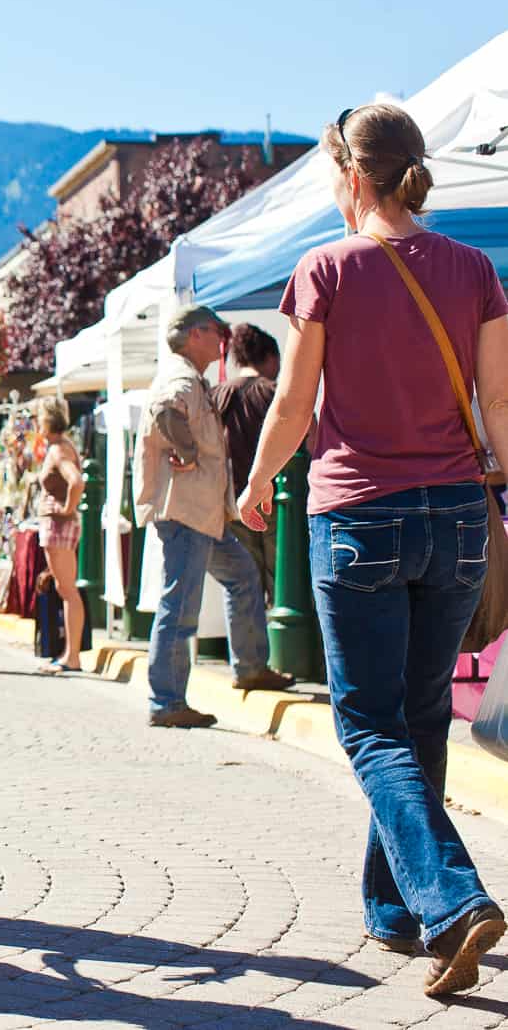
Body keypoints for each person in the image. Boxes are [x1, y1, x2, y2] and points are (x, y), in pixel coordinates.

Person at [238, 102, 504, 996]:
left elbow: (291, 406)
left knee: (368, 724)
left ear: (353, 176)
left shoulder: (326, 268)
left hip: (359, 518)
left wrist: (252, 485)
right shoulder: (475, 269)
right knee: (420, 717)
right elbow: (500, 410)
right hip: (460, 517)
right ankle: (393, 908)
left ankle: (454, 898)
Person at [136, 305, 294, 730]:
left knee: (242, 576)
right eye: (215, 332)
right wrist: (186, 451)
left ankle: (249, 667)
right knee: (181, 605)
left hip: (200, 513)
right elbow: (166, 411)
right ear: (195, 335)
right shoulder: (182, 377)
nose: (222, 341)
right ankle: (166, 701)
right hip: (188, 511)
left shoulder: (187, 375)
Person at [213, 323, 282, 602]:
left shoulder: (218, 395)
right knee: (284, 583)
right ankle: (285, 646)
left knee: (245, 589)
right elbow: (308, 442)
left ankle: (254, 646)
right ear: (269, 357)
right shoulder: (274, 392)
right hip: (276, 502)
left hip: (234, 504)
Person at [33, 398, 86, 674]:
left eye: (38, 417)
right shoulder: (58, 447)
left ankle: (72, 656)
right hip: (57, 523)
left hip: (58, 524)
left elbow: (76, 480)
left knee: (67, 590)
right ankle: (69, 653)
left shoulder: (58, 450)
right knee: (65, 589)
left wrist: (67, 508)